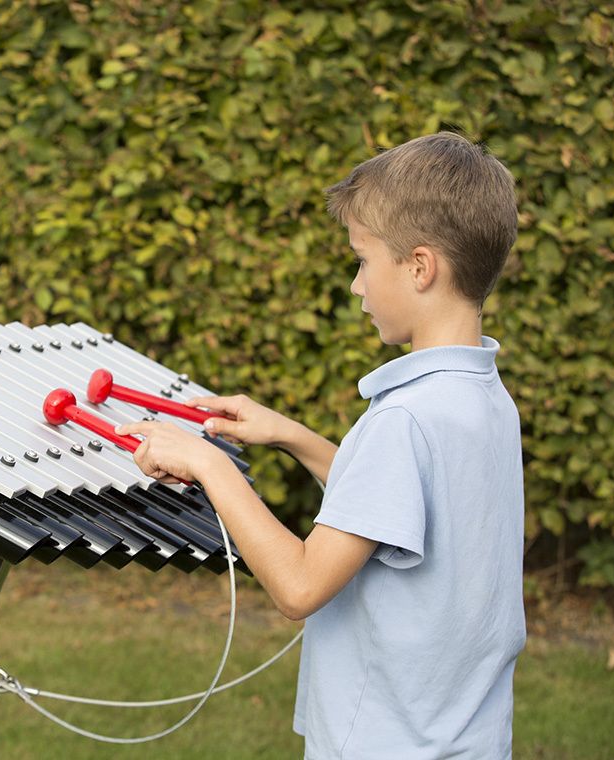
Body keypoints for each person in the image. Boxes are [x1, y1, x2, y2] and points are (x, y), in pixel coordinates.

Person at [117, 132, 526, 759]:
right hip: (465, 741)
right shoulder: (481, 396)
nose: (357, 286)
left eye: (363, 260)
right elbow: (394, 511)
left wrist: (207, 463)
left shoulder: (406, 420)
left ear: (420, 268)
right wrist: (289, 435)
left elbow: (301, 586)